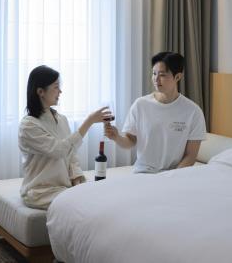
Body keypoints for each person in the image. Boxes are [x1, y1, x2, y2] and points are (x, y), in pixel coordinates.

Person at [18, 65, 112, 209]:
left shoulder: (61, 119)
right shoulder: (28, 126)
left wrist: (76, 177)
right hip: (40, 192)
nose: (60, 91)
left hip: (63, 188)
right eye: (56, 87)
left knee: (100, 196)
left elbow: (70, 155)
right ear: (40, 92)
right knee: (89, 204)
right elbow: (59, 150)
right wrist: (89, 121)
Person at [105, 52, 206, 173]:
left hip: (174, 176)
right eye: (154, 73)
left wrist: (170, 178)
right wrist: (116, 137)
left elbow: (190, 156)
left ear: (178, 77)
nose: (156, 79)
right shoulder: (141, 105)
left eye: (162, 75)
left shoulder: (193, 111)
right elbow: (130, 141)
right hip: (143, 172)